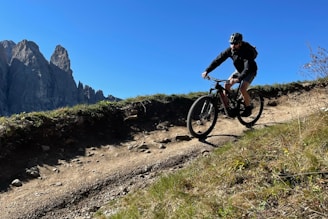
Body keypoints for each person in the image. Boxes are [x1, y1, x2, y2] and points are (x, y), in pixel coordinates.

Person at [201, 32, 258, 117]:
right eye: (231, 43)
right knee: (226, 85)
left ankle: (248, 108)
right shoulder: (230, 51)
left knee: (242, 88)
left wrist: (238, 79)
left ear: (240, 43)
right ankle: (229, 110)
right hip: (239, 70)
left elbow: (247, 68)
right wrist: (207, 71)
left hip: (250, 70)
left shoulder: (246, 51)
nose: (232, 45)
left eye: (235, 43)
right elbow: (218, 60)